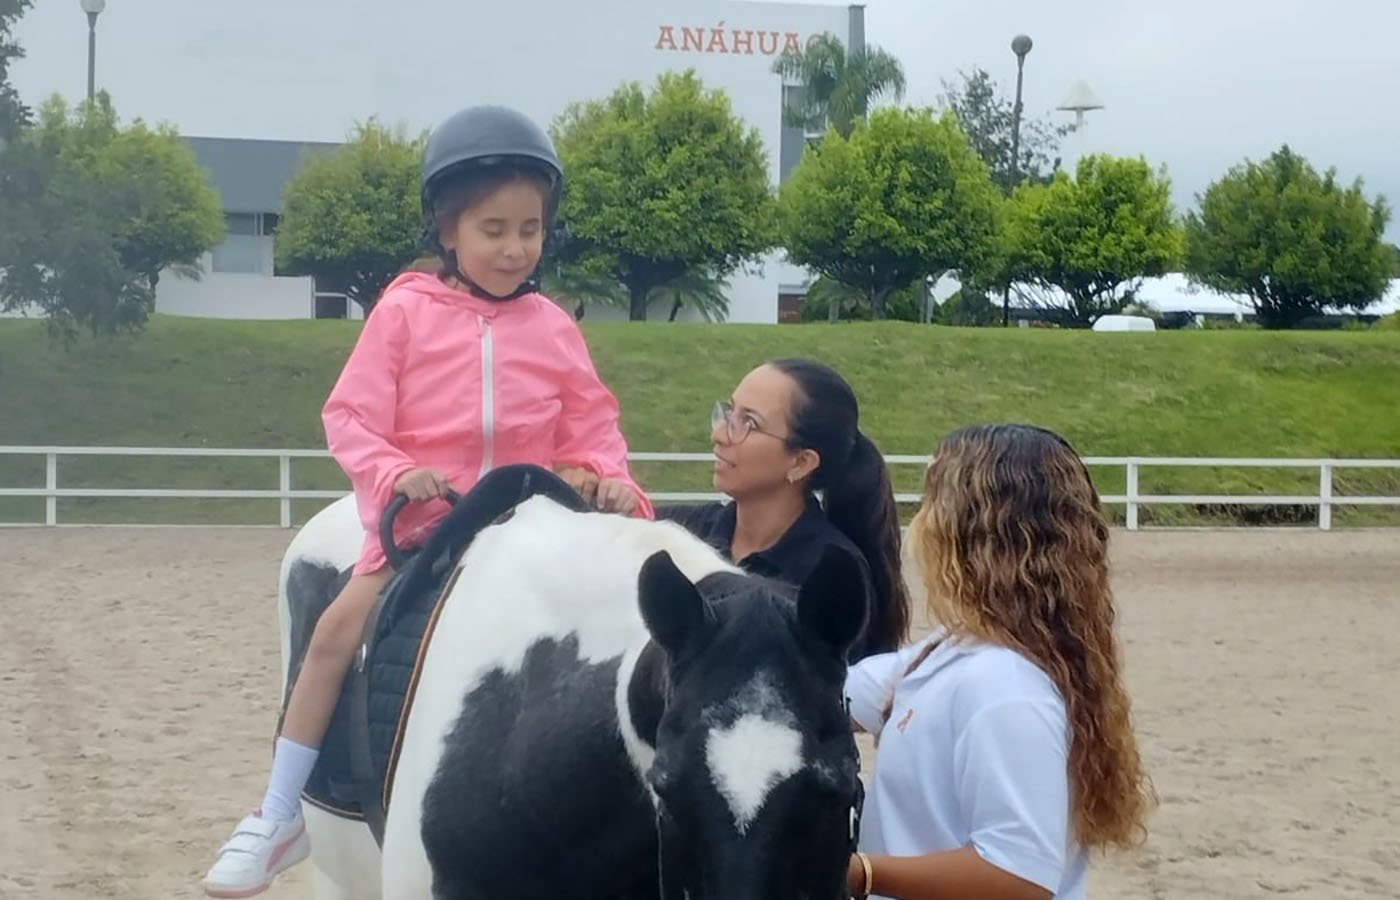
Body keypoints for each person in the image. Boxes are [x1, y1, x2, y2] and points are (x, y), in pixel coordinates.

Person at [201, 104, 651, 898]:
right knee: (337, 629)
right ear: (448, 229)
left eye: (531, 228)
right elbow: (352, 416)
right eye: (493, 228)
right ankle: (279, 812)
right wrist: (393, 475)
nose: (515, 248)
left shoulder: (553, 327)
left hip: (531, 525)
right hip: (430, 527)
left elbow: (593, 425)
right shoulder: (403, 312)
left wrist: (610, 479)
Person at [842, 423, 1154, 900]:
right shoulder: (952, 651)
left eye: (930, 501)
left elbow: (1019, 876)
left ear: (967, 530)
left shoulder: (1004, 686)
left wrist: (862, 872)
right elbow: (841, 693)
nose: (919, 522)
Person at [650, 357, 910, 661]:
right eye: (729, 412)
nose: (719, 434)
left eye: (749, 423)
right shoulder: (678, 533)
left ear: (801, 462)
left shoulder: (829, 576)